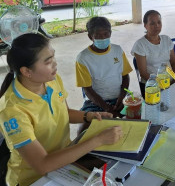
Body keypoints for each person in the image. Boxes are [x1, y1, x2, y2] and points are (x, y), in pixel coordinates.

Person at [0, 33, 122, 186]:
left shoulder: (51, 80)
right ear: (26, 71)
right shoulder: (12, 110)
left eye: (53, 57)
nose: (55, 64)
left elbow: (65, 113)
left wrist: (90, 116)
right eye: (48, 61)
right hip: (34, 179)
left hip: (65, 163)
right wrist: (98, 140)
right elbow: (42, 164)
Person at [76, 17, 133, 119]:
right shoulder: (83, 58)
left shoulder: (117, 50)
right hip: (96, 102)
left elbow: (125, 77)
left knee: (139, 116)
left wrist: (121, 99)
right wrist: (106, 107)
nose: (103, 38)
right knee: (84, 128)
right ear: (90, 37)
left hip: (121, 97)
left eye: (106, 34)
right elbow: (87, 89)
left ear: (110, 33)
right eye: (98, 35)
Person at [131, 10, 175, 84]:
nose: (157, 26)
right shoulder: (140, 45)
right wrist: (162, 84)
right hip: (153, 86)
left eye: (159, 22)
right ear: (145, 25)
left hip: (171, 81)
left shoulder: (166, 39)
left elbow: (174, 63)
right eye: (152, 23)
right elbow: (143, 74)